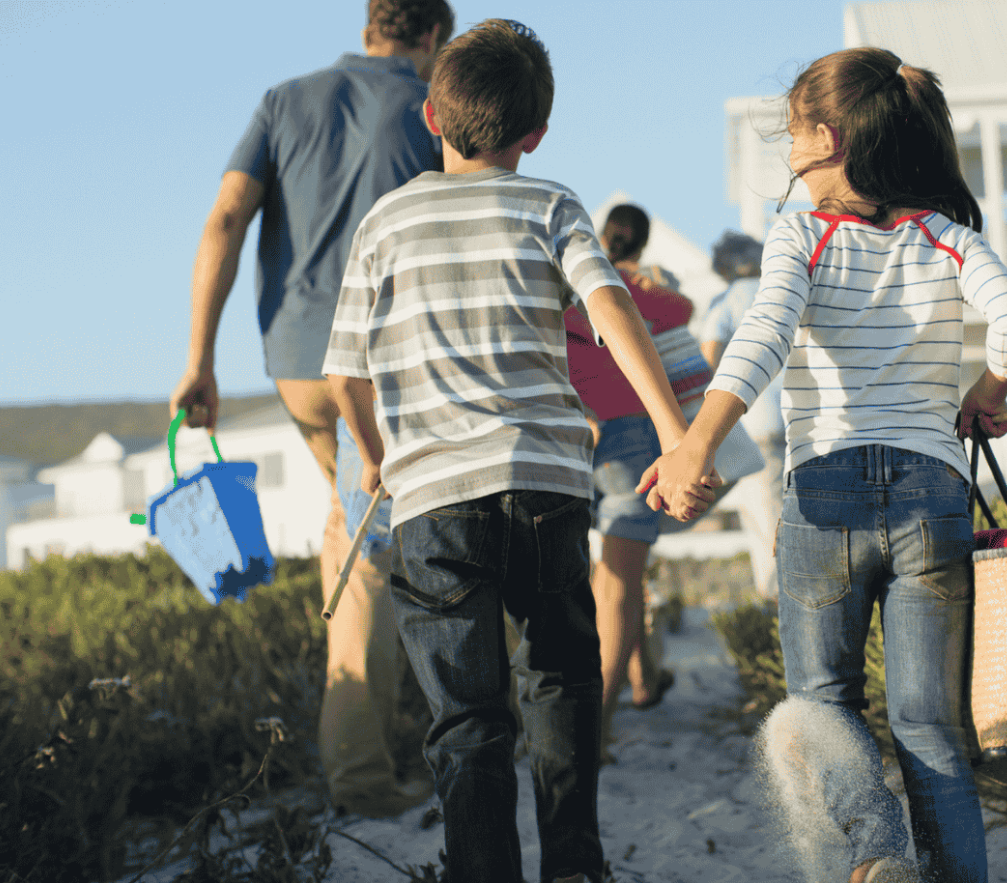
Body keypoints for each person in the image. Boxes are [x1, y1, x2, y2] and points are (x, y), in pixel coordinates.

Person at [643, 48, 1007, 883]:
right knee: (928, 727)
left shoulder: (803, 233)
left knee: (824, 705)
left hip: (825, 493)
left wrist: (695, 442)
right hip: (933, 492)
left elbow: (763, 338)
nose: (787, 149)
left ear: (828, 137)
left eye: (791, 132)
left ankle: (878, 853)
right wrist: (990, 389)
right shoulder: (945, 235)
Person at [322, 20, 704, 883]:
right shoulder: (551, 205)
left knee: (466, 718)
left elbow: (344, 378)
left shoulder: (385, 221)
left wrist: (379, 455)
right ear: (535, 134)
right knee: (562, 683)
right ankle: (573, 865)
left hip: (433, 501)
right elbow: (613, 314)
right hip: (543, 483)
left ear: (429, 116)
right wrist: (676, 433)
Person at [167, 0, 453, 819]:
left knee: (353, 530)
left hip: (297, 367)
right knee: (379, 556)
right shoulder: (432, 107)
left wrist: (199, 359)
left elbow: (225, 217)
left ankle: (377, 756)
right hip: (387, 365)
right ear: (432, 36)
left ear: (371, 27)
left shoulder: (282, 99)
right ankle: (367, 777)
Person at [564, 217, 700, 762]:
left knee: (600, 576)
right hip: (628, 427)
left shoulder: (567, 273)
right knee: (621, 578)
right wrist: (646, 278)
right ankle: (593, 730)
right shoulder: (631, 286)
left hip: (566, 423)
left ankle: (640, 679)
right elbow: (681, 313)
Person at [698, 231, 784, 602]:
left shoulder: (728, 299)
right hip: (802, 422)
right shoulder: (783, 291)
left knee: (766, 526)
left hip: (755, 426)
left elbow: (708, 361)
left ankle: (777, 611)